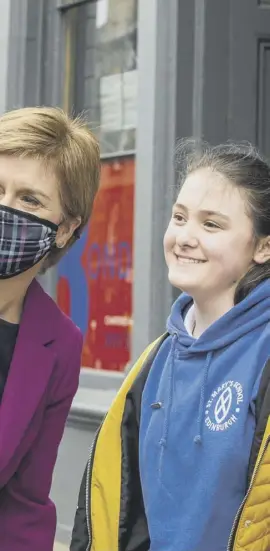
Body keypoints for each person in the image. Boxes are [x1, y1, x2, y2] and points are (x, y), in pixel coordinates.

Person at [71, 139, 270, 551]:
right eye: (179, 217)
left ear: (264, 246)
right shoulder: (154, 361)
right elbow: (119, 510)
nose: (184, 236)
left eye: (211, 224)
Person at [0, 106, 100, 551]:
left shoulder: (59, 342)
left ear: (66, 228)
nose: (5, 210)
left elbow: (24, 502)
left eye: (29, 199)